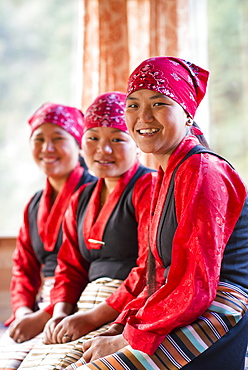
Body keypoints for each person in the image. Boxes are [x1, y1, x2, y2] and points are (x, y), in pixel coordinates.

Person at [70, 57, 248, 370]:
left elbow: (195, 281)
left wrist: (128, 338)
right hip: (185, 302)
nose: (143, 117)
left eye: (159, 103)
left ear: (188, 114)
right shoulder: (169, 171)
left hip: (218, 308)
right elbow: (160, 272)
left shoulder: (202, 170)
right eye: (133, 105)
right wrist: (125, 321)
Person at [18, 92, 156, 370]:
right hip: (80, 307)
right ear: (82, 144)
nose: (103, 150)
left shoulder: (148, 187)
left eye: (117, 139)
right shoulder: (81, 197)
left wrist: (92, 318)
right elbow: (69, 267)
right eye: (93, 138)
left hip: (123, 311)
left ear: (137, 143)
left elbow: (149, 268)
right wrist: (59, 312)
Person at [0, 102, 96, 369]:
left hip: (79, 304)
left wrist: (46, 316)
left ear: (79, 145)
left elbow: (90, 266)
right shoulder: (35, 203)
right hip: (41, 305)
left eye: (58, 139)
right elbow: (23, 268)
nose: (47, 148)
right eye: (39, 139)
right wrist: (23, 313)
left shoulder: (96, 194)